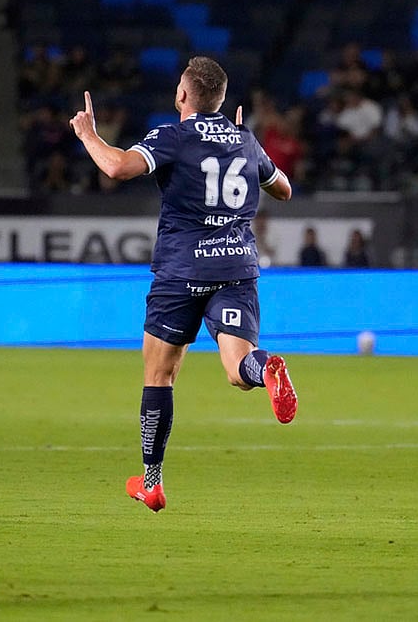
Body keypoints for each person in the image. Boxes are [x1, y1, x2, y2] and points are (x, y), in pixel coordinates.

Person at [69, 56, 298, 514]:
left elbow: (116, 168)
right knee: (238, 370)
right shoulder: (246, 140)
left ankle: (151, 482)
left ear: (182, 96)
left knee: (160, 375)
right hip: (235, 268)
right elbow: (284, 189)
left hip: (180, 272)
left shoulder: (173, 136)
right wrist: (241, 148)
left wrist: (88, 134)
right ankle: (266, 366)